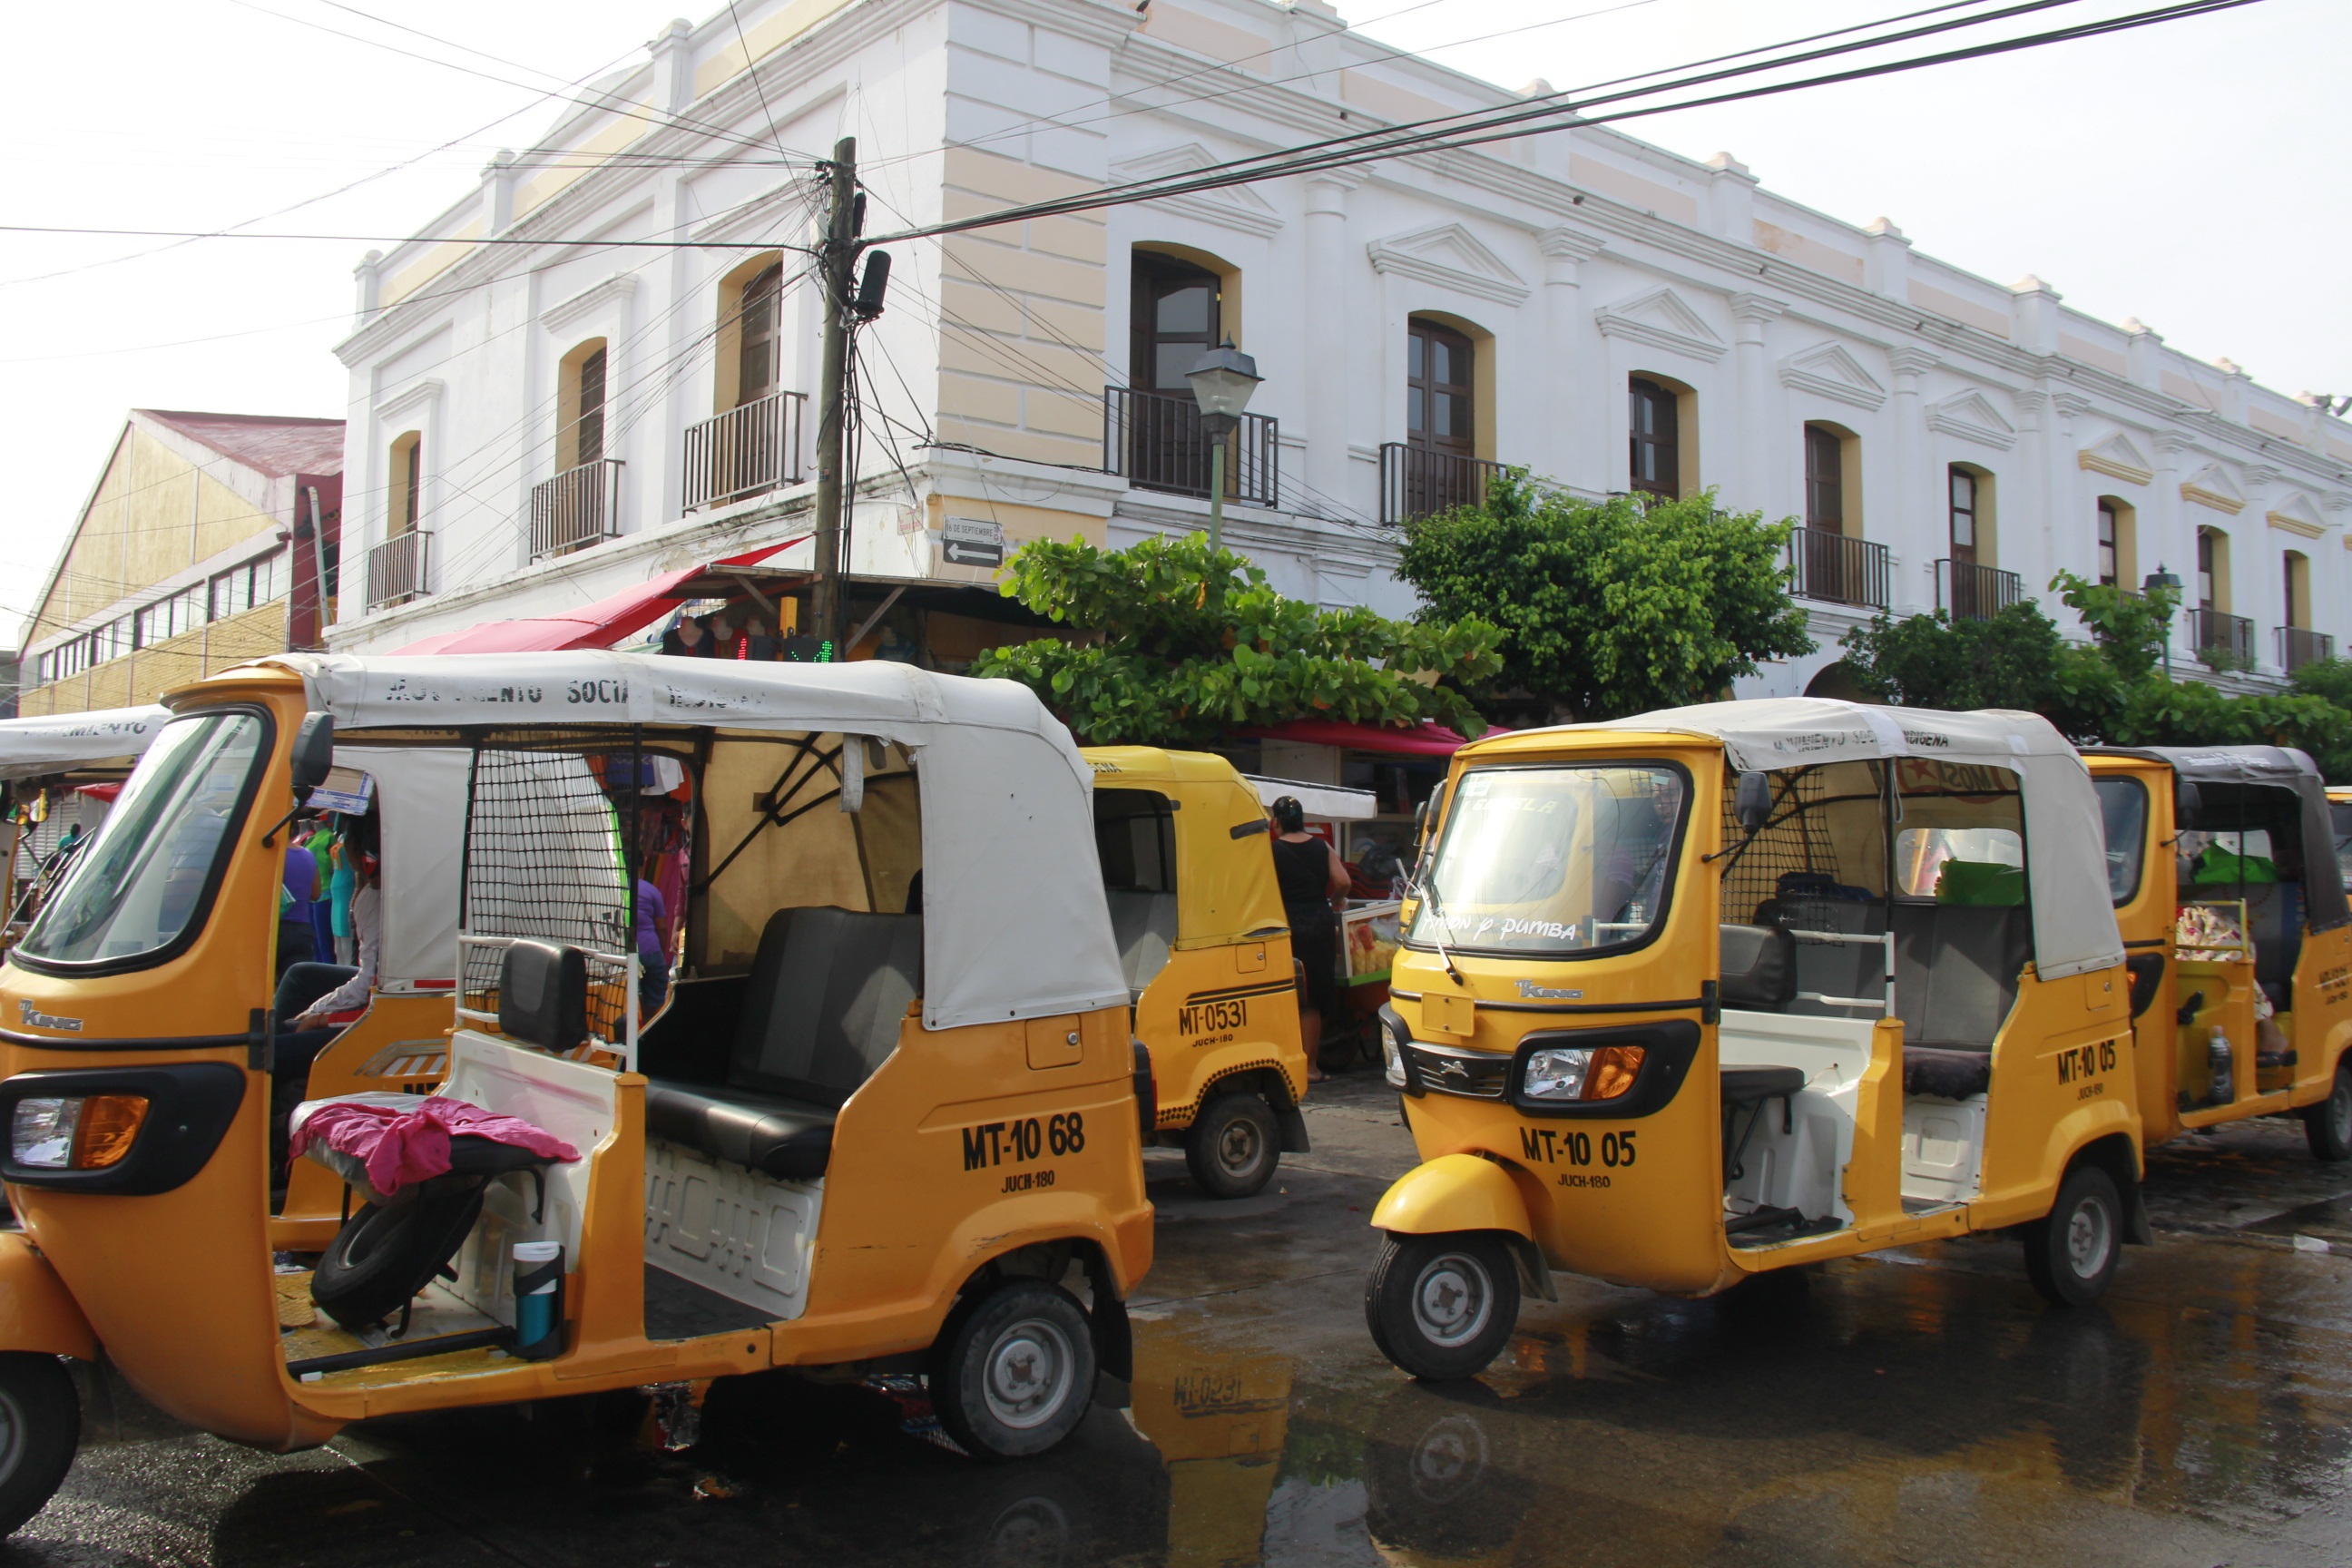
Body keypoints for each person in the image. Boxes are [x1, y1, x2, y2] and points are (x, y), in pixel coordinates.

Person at [1269, 797, 1348, 1083]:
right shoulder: (1323, 847)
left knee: (1286, 994)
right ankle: (1310, 1068)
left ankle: (1284, 1063)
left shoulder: (1272, 852)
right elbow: (1343, 882)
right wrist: (1336, 901)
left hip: (1284, 925)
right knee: (1312, 998)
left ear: (1276, 822)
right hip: (1318, 923)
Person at [279, 828, 318, 978]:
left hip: (276, 929)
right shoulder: (308, 855)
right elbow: (315, 894)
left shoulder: (272, 855)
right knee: (294, 986)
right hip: (302, 931)